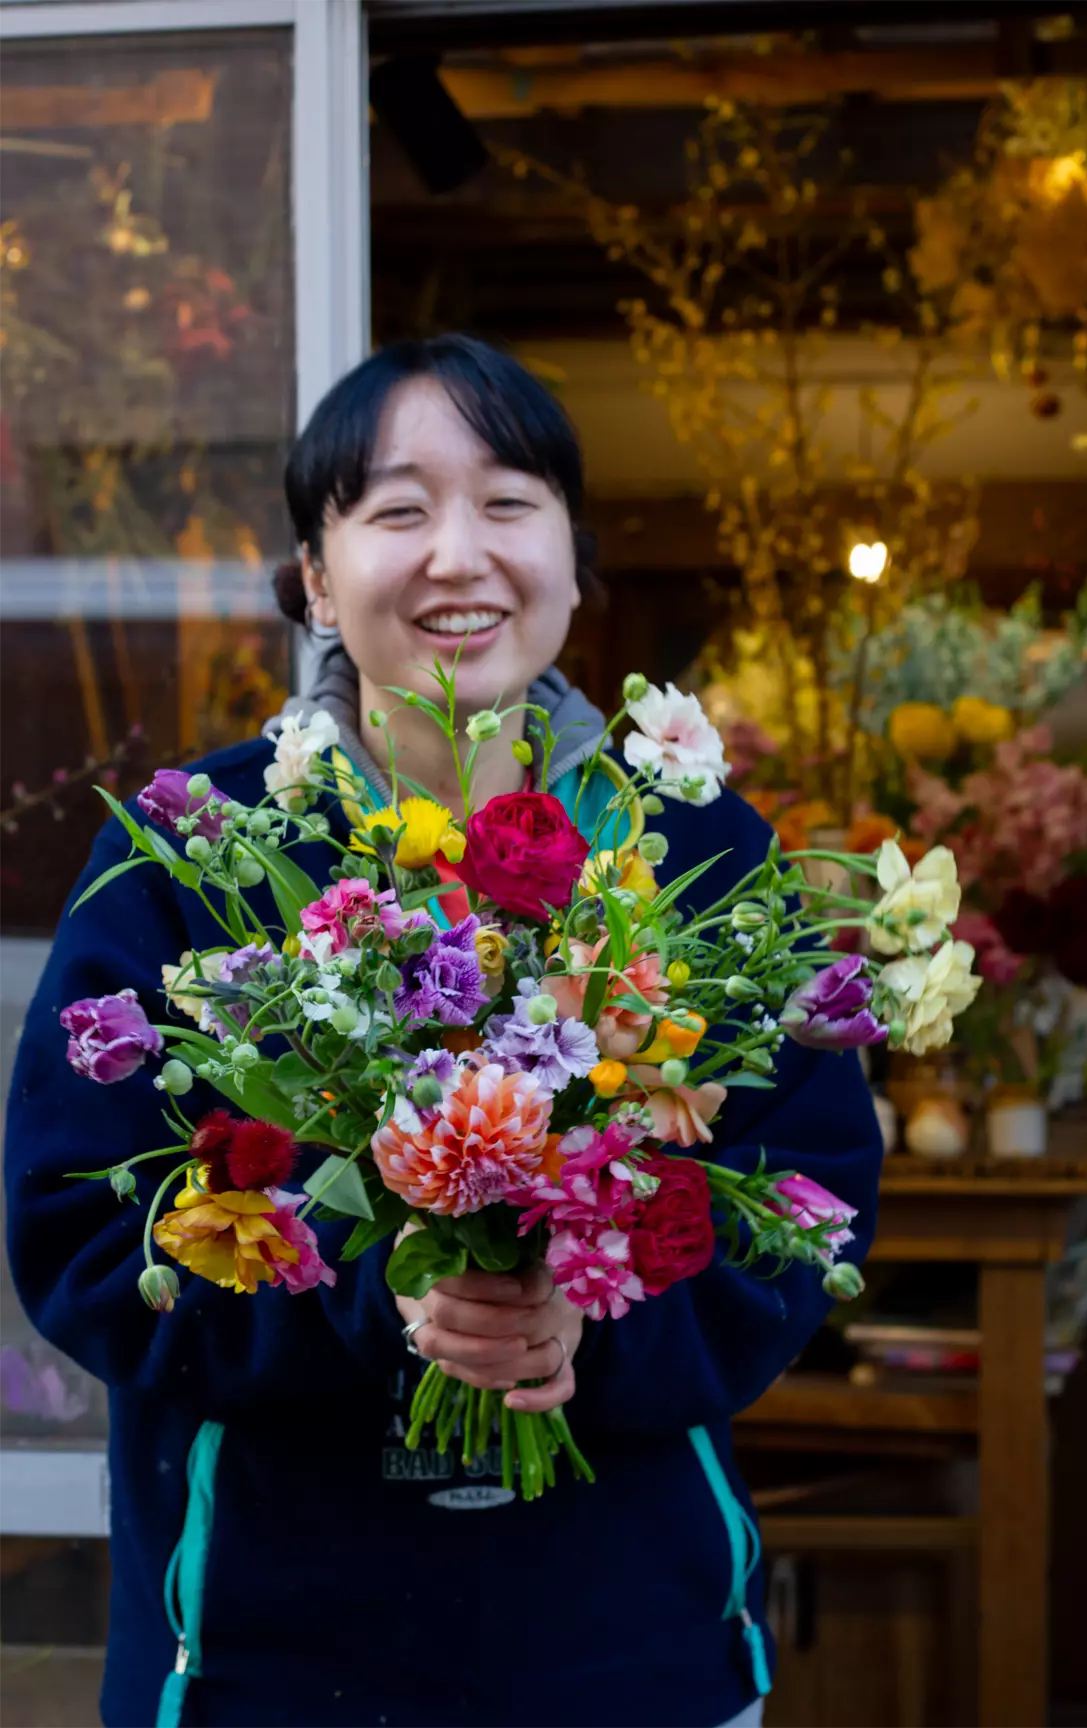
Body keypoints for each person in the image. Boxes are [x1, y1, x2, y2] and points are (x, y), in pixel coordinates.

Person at [5, 335, 883, 1728]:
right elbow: (79, 1225)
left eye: (509, 503)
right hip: (267, 1665)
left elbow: (810, 1199)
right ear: (313, 573)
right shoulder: (197, 853)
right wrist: (380, 1299)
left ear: (576, 562)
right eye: (398, 510)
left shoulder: (702, 849)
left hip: (628, 1654)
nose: (457, 557)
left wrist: (586, 1332)